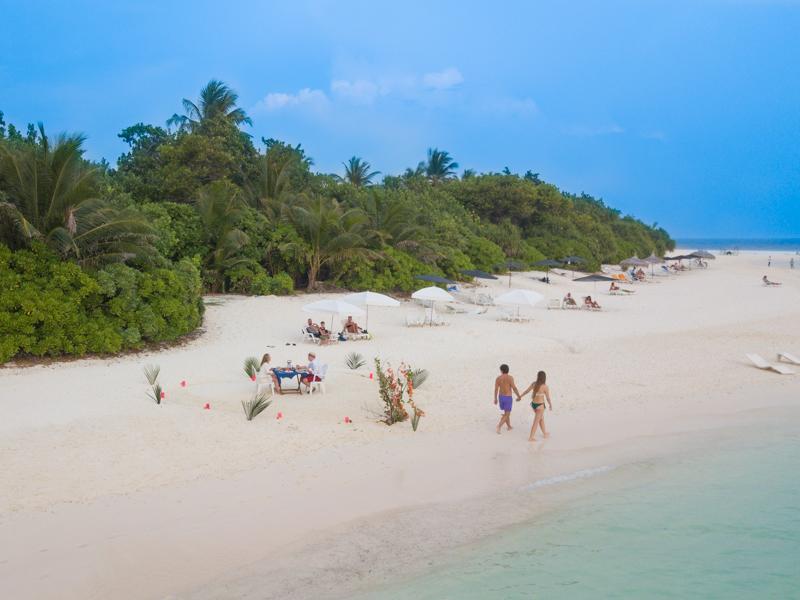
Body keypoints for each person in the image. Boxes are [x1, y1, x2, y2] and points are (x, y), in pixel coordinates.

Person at [519, 371, 552, 442]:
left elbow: (527, 391)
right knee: (536, 422)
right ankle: (531, 437)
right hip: (540, 406)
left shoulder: (534, 384)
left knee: (541, 419)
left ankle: (544, 433)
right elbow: (548, 398)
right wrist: (550, 404)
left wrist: (520, 396)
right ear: (544, 378)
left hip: (533, 404)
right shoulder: (545, 387)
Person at [494, 364, 521, 434]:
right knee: (507, 414)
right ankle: (499, 426)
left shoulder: (498, 378)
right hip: (508, 397)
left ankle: (509, 426)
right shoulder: (510, 378)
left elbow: (496, 389)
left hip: (501, 397)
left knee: (506, 413)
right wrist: (519, 396)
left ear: (501, 370)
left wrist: (495, 398)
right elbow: (514, 388)